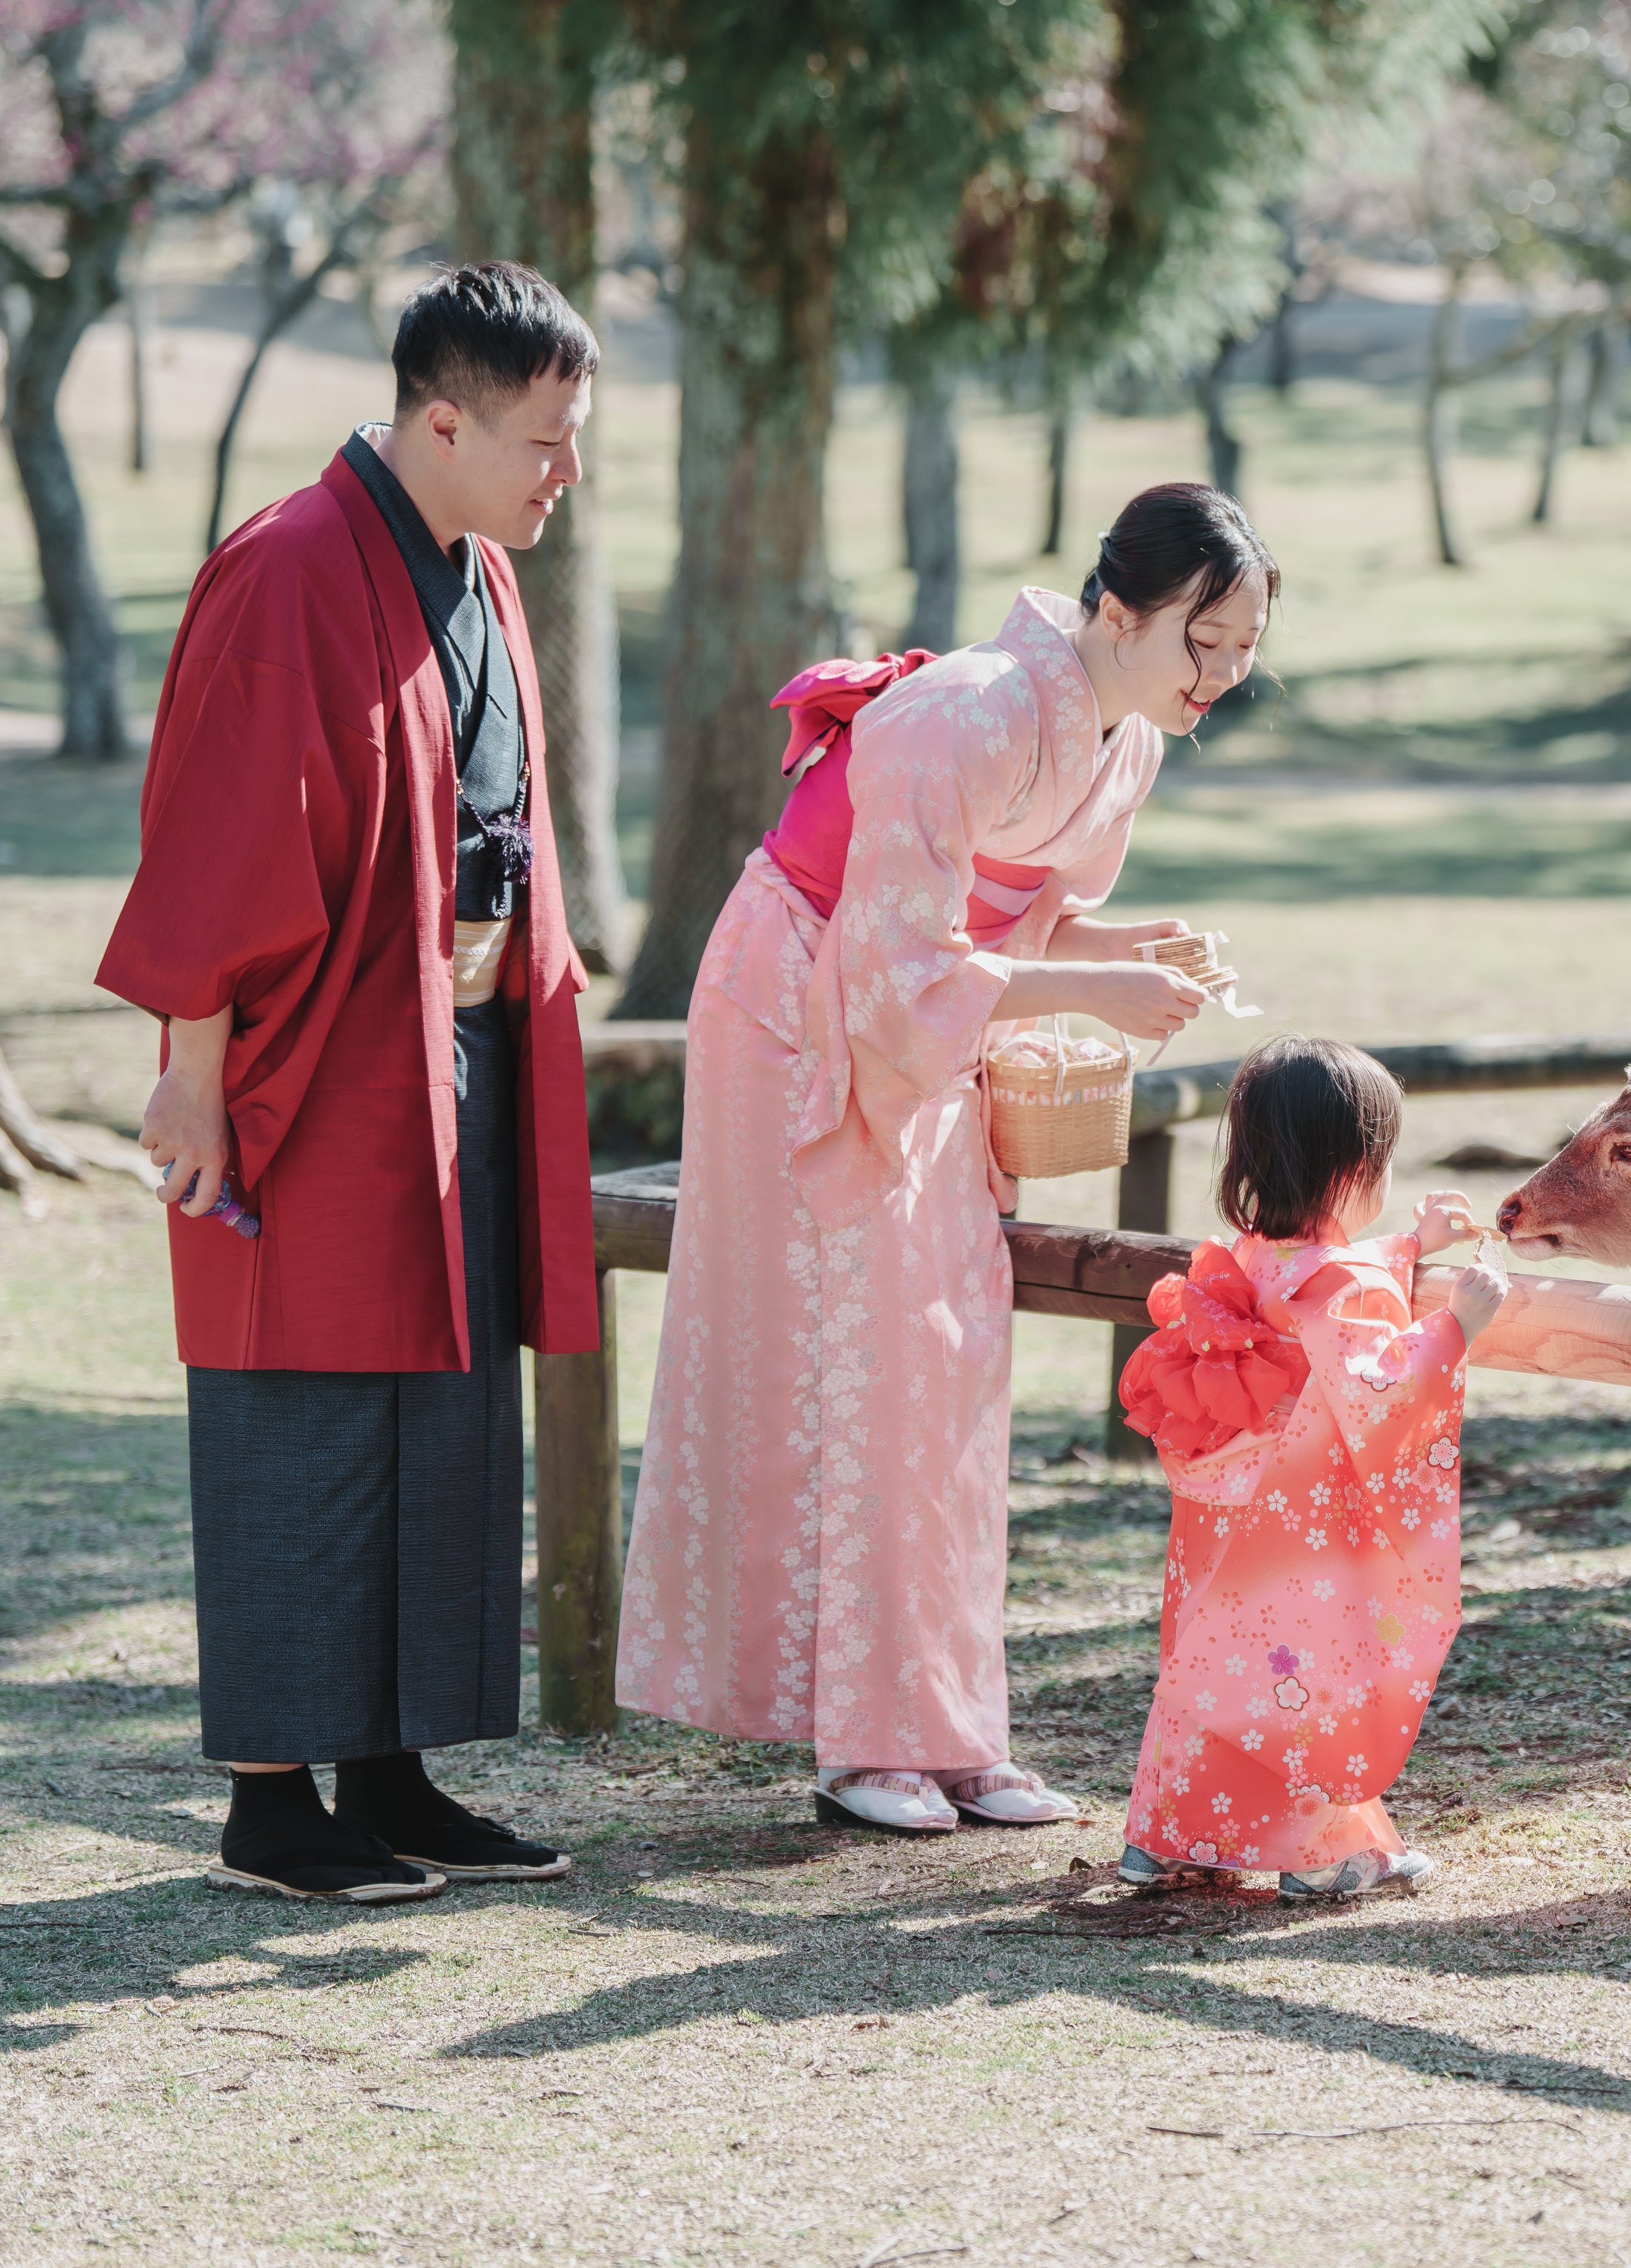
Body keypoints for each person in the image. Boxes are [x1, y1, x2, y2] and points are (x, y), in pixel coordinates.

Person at [617, 484, 1270, 1833]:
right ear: (1115, 608)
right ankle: (865, 1742)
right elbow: (895, 951)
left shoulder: (1122, 738)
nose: (1220, 674)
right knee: (856, 1349)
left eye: (1242, 649)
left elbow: (1019, 923)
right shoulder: (965, 710)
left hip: (911, 1017)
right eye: (1201, 641)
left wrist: (1132, 949)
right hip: (794, 1001)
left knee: (952, 1345)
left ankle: (955, 1732)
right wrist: (1090, 996)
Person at [97, 262, 602, 1904]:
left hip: (451, 1041)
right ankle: (270, 1797)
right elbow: (216, 836)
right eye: (541, 440)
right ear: (437, 420)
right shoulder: (287, 569)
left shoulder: (474, 559)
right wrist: (192, 1073)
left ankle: (392, 1772)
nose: (562, 473)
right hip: (305, 1056)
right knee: (298, 1404)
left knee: (438, 1405)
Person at [1112, 1036, 1508, 1899]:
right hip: (1294, 1524)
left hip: (1217, 1505)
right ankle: (1318, 1849)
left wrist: (1411, 1241)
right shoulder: (1344, 1281)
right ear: (1352, 1166)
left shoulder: (1246, 1255)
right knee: (1303, 1665)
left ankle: (1166, 1832)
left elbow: (1329, 1278)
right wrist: (1455, 1329)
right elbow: (1379, 1383)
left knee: (1206, 1655)